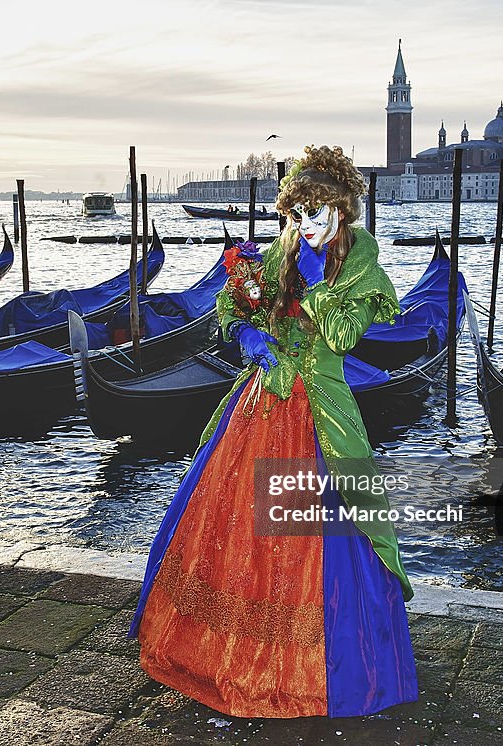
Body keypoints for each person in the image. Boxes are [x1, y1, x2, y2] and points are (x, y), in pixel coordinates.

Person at [129, 144, 417, 718]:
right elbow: (232, 306)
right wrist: (247, 336)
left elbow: (341, 338)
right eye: (298, 215)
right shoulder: (284, 251)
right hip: (261, 404)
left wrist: (315, 289)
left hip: (322, 415)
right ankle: (219, 655)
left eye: (319, 215)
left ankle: (321, 670)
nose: (306, 227)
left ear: (342, 213)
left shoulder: (360, 264)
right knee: (232, 526)